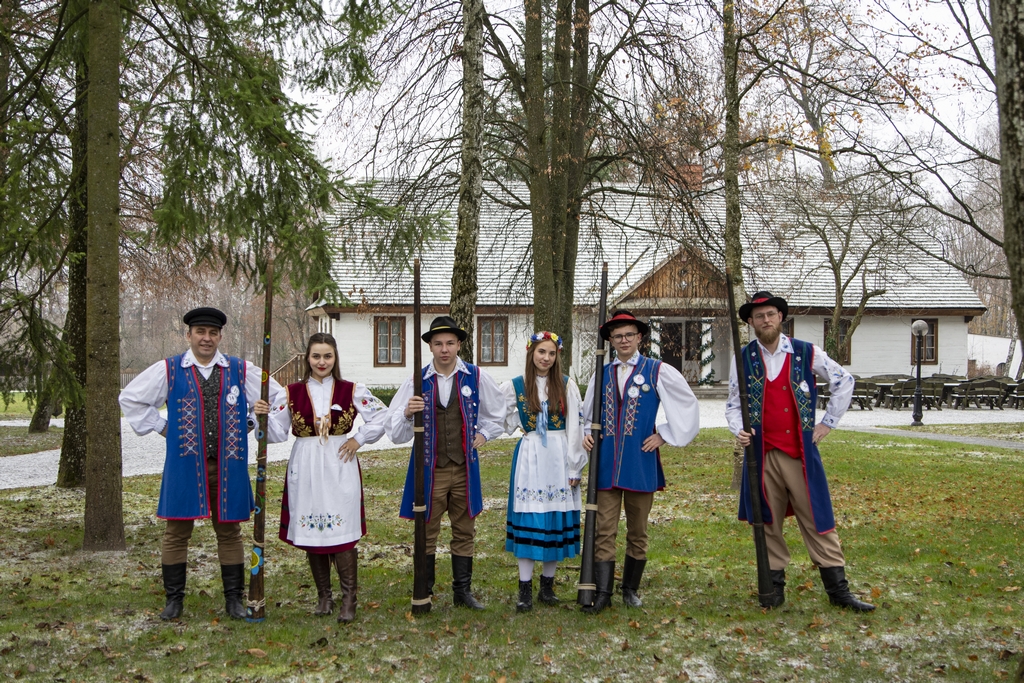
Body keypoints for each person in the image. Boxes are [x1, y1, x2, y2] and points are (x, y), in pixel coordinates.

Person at [119, 307, 284, 620]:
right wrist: (163, 426)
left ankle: (234, 600)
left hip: (229, 465)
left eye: (212, 333)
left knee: (230, 531)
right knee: (176, 532)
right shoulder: (169, 369)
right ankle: (174, 601)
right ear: (189, 335)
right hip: (184, 465)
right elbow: (130, 398)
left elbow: (276, 397)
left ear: (220, 336)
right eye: (200, 332)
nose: (206, 338)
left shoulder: (240, 369)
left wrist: (251, 421)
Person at [726, 291, 874, 612]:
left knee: (817, 517)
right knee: (767, 521)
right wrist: (739, 429)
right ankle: (773, 590)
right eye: (759, 316)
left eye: (771, 314)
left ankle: (839, 592)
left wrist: (828, 423)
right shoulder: (743, 358)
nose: (766, 320)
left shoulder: (806, 352)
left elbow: (844, 380)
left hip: (799, 453)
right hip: (762, 454)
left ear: (780, 317)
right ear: (751, 322)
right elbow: (734, 404)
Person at [581, 310, 700, 613]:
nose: (624, 340)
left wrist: (664, 434)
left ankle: (630, 589)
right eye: (618, 336)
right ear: (610, 340)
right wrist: (586, 434)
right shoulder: (601, 373)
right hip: (606, 462)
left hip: (640, 461)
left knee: (638, 530)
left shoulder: (657, 370)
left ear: (639, 338)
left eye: (629, 335)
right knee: (604, 529)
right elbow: (587, 414)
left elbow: (686, 404)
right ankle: (603, 592)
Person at [266, 332, 388, 622]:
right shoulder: (290, 393)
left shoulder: (351, 390)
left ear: (335, 358)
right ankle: (324, 596)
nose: (322, 362)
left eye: (328, 356)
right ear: (308, 358)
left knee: (342, 530)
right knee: (313, 530)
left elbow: (383, 416)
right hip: (306, 462)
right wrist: (261, 417)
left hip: (339, 462)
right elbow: (275, 431)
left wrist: (358, 438)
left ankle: (349, 599)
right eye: (316, 356)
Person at [386, 316, 505, 610]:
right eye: (438, 343)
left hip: (464, 468)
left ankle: (462, 592)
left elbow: (498, 413)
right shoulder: (416, 381)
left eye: (450, 343)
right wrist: (407, 413)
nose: (444, 349)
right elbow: (395, 432)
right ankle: (424, 592)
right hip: (430, 470)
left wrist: (484, 433)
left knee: (464, 530)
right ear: (430, 347)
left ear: (459, 345)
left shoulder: (475, 376)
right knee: (426, 530)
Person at [499, 332, 587, 612]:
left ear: (557, 356)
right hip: (530, 455)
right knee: (530, 516)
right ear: (531, 353)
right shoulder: (516, 386)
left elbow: (575, 427)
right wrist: (518, 422)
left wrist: (575, 465)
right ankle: (524, 589)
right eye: (541, 352)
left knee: (554, 519)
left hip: (560, 455)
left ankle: (547, 586)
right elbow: (498, 415)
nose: (546, 358)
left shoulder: (566, 385)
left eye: (551, 353)